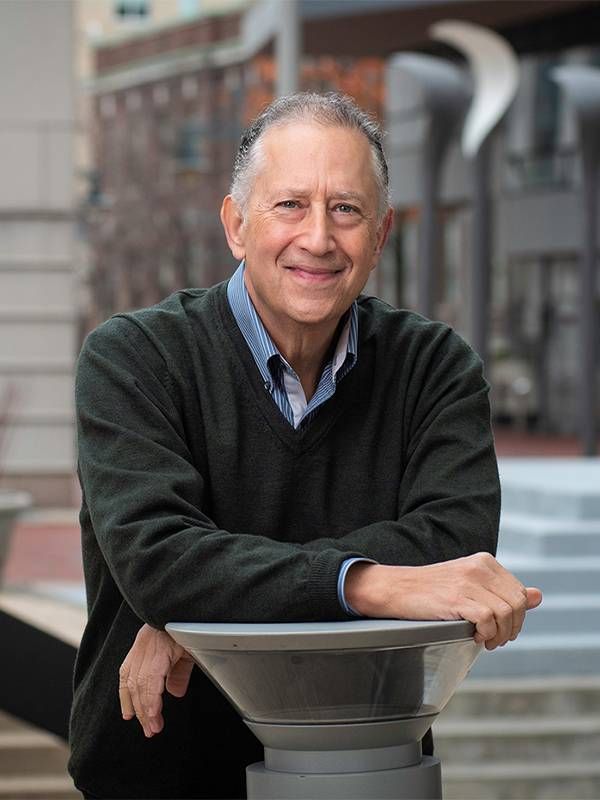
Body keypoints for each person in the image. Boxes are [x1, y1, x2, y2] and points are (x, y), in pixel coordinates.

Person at [69, 92, 542, 800]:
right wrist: (370, 583)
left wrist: (199, 618)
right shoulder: (134, 358)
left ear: (380, 238)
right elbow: (159, 557)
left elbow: (454, 541)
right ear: (236, 225)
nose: (318, 238)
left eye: (346, 210)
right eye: (290, 205)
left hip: (367, 767)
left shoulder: (435, 367)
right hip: (163, 772)